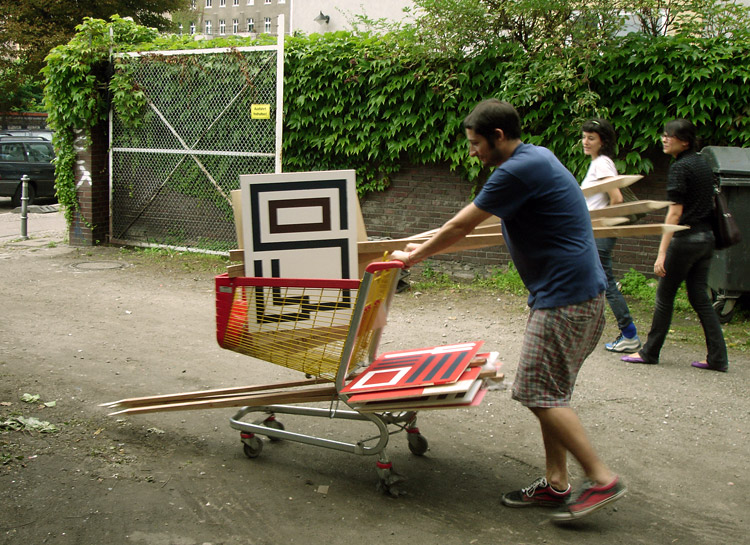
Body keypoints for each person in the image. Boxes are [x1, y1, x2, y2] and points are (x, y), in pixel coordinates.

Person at [390, 99, 626, 521]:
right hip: (575, 295)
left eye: (475, 143)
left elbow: (461, 225)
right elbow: (468, 226)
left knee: (537, 393)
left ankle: (602, 478)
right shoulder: (538, 157)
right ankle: (557, 484)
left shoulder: (516, 171)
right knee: (550, 393)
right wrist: (422, 247)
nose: (471, 152)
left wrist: (411, 258)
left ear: (498, 137)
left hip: (565, 300)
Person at [621, 119, 728, 372]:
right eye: (664, 135)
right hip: (706, 240)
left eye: (670, 136)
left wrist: (662, 253)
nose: (664, 139)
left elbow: (674, 214)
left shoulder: (681, 168)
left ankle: (649, 352)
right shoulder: (702, 163)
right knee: (700, 298)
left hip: (685, 240)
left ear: (685, 141)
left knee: (664, 296)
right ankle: (718, 357)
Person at [580, 118, 641, 353]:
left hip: (600, 233)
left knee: (606, 283)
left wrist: (602, 224)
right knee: (592, 280)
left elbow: (617, 199)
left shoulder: (602, 164)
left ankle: (629, 334)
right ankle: (585, 326)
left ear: (602, 141)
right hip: (595, 232)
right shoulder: (599, 163)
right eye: (584, 137)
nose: (585, 142)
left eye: (591, 138)